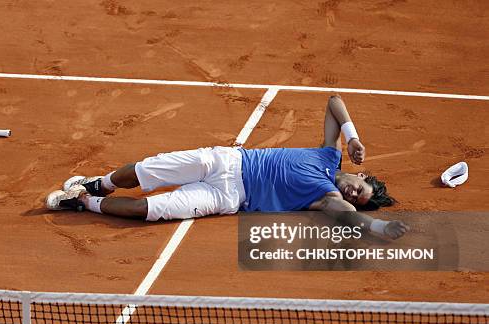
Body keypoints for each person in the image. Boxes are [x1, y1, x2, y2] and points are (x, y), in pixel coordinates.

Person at [46, 95, 409, 239]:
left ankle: (83, 202)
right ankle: (99, 185)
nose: (351, 194)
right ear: (359, 176)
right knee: (143, 171)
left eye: (355, 199)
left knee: (148, 209)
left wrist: (377, 225)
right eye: (358, 190)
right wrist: (353, 137)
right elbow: (334, 101)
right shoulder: (330, 155)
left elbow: (348, 216)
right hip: (225, 159)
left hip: (227, 195)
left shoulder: (328, 198)